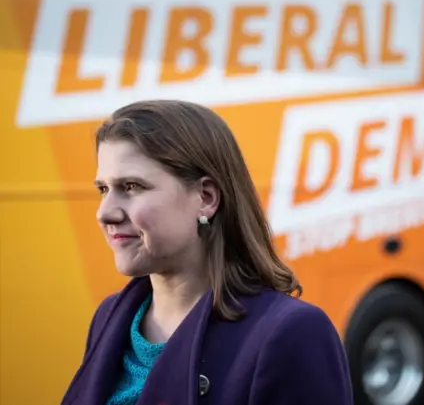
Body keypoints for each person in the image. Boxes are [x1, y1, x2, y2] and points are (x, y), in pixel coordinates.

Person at [61, 100, 354, 405]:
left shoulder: (291, 333)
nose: (104, 213)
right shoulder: (110, 316)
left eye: (132, 186)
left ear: (206, 197)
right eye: (103, 189)